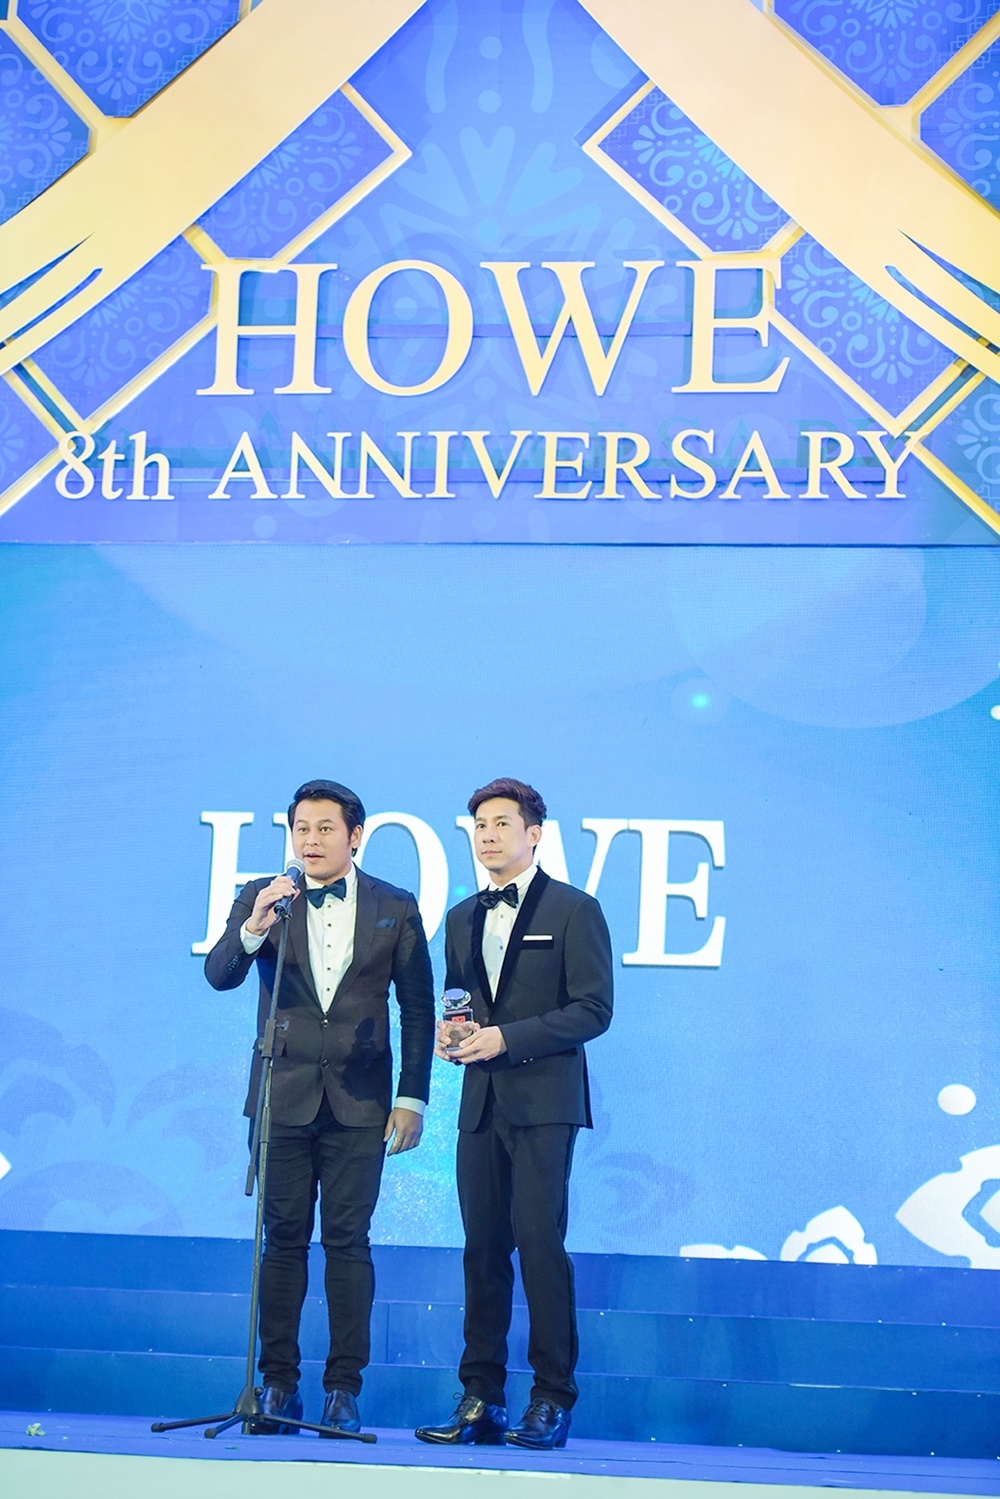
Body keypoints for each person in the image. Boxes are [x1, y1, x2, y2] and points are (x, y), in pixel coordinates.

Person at [206, 778, 434, 1436]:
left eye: (324, 828)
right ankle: (278, 1385)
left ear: (354, 836)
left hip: (361, 1102)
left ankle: (343, 1390)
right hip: (281, 1097)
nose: (310, 840)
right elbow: (220, 974)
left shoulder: (396, 904)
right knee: (281, 1241)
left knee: (347, 1242)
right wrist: (254, 925)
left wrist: (411, 1097)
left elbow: (418, 1009)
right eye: (301, 828)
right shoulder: (264, 897)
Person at [415, 778, 613, 1451]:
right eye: (479, 824)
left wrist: (507, 1038)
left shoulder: (575, 909)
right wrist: (453, 1036)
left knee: (539, 1244)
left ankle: (552, 1397)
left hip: (545, 1105)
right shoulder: (461, 916)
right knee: (481, 1251)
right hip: (480, 1105)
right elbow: (461, 1002)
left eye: (502, 822)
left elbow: (594, 1009)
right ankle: (482, 1397)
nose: (488, 834)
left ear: (534, 833)